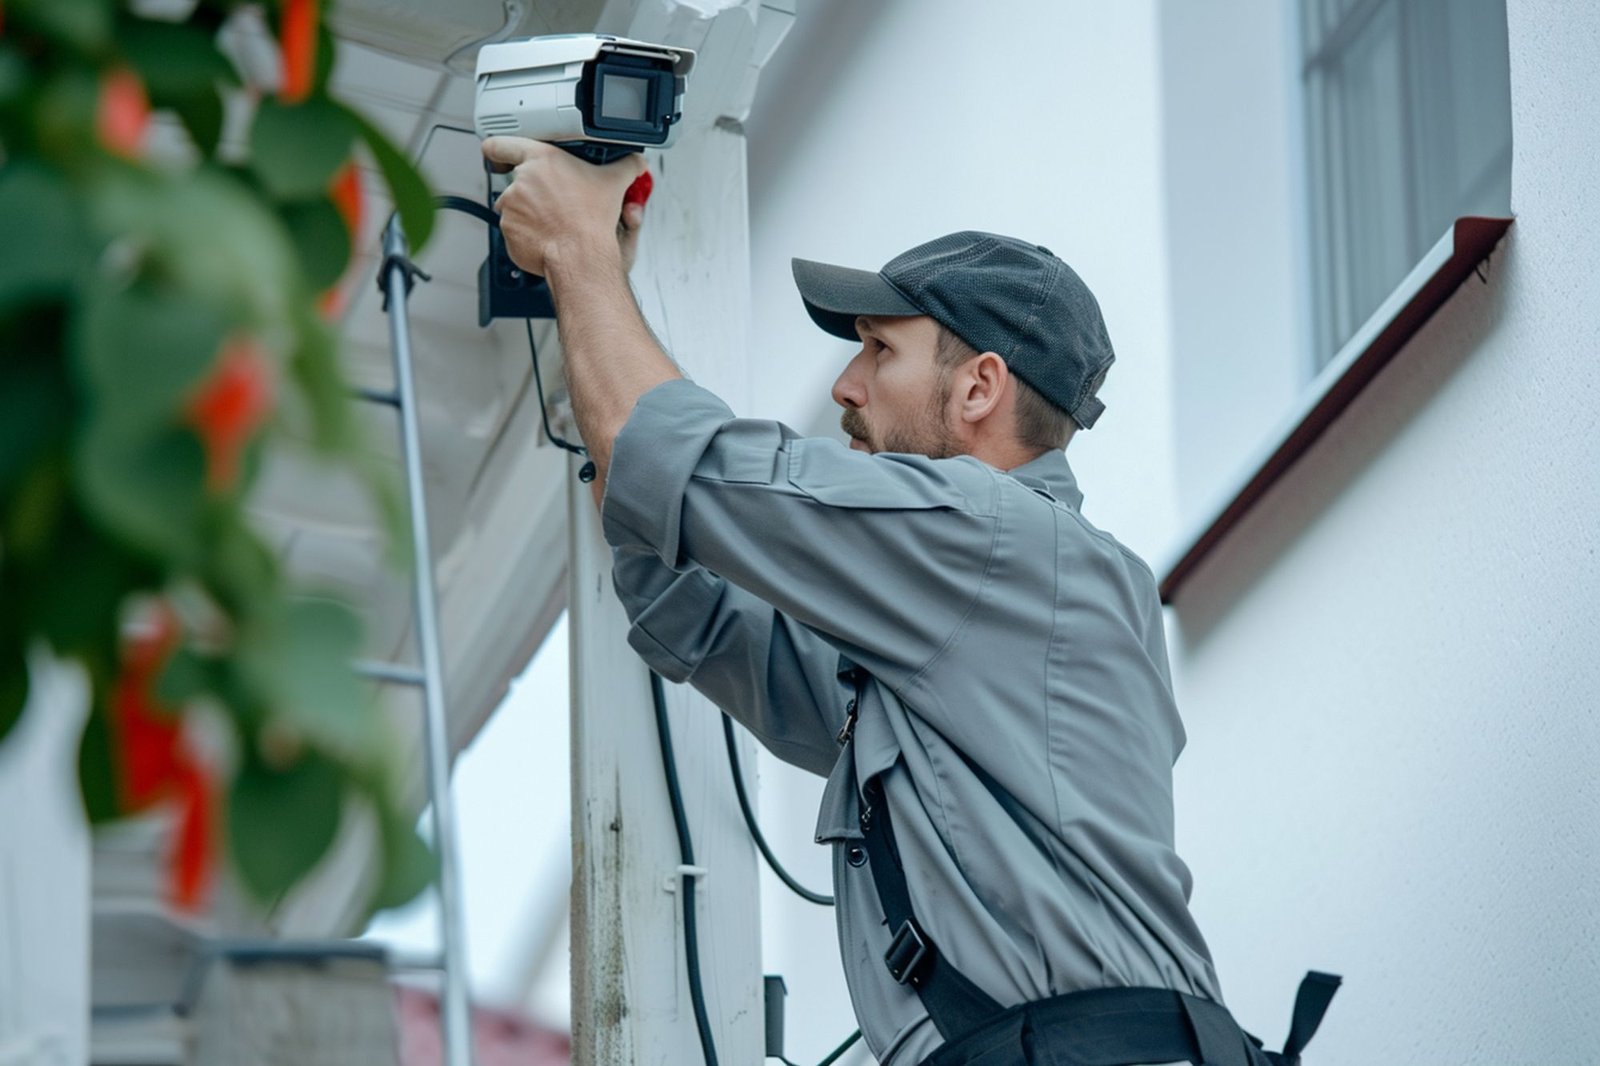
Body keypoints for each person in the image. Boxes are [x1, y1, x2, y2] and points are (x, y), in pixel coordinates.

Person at [482, 137, 1335, 1066]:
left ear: (980, 387)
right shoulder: (959, 622)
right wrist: (599, 301)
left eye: (880, 350)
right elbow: (702, 608)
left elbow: (680, 467)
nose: (847, 388)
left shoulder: (988, 537)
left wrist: (578, 253)